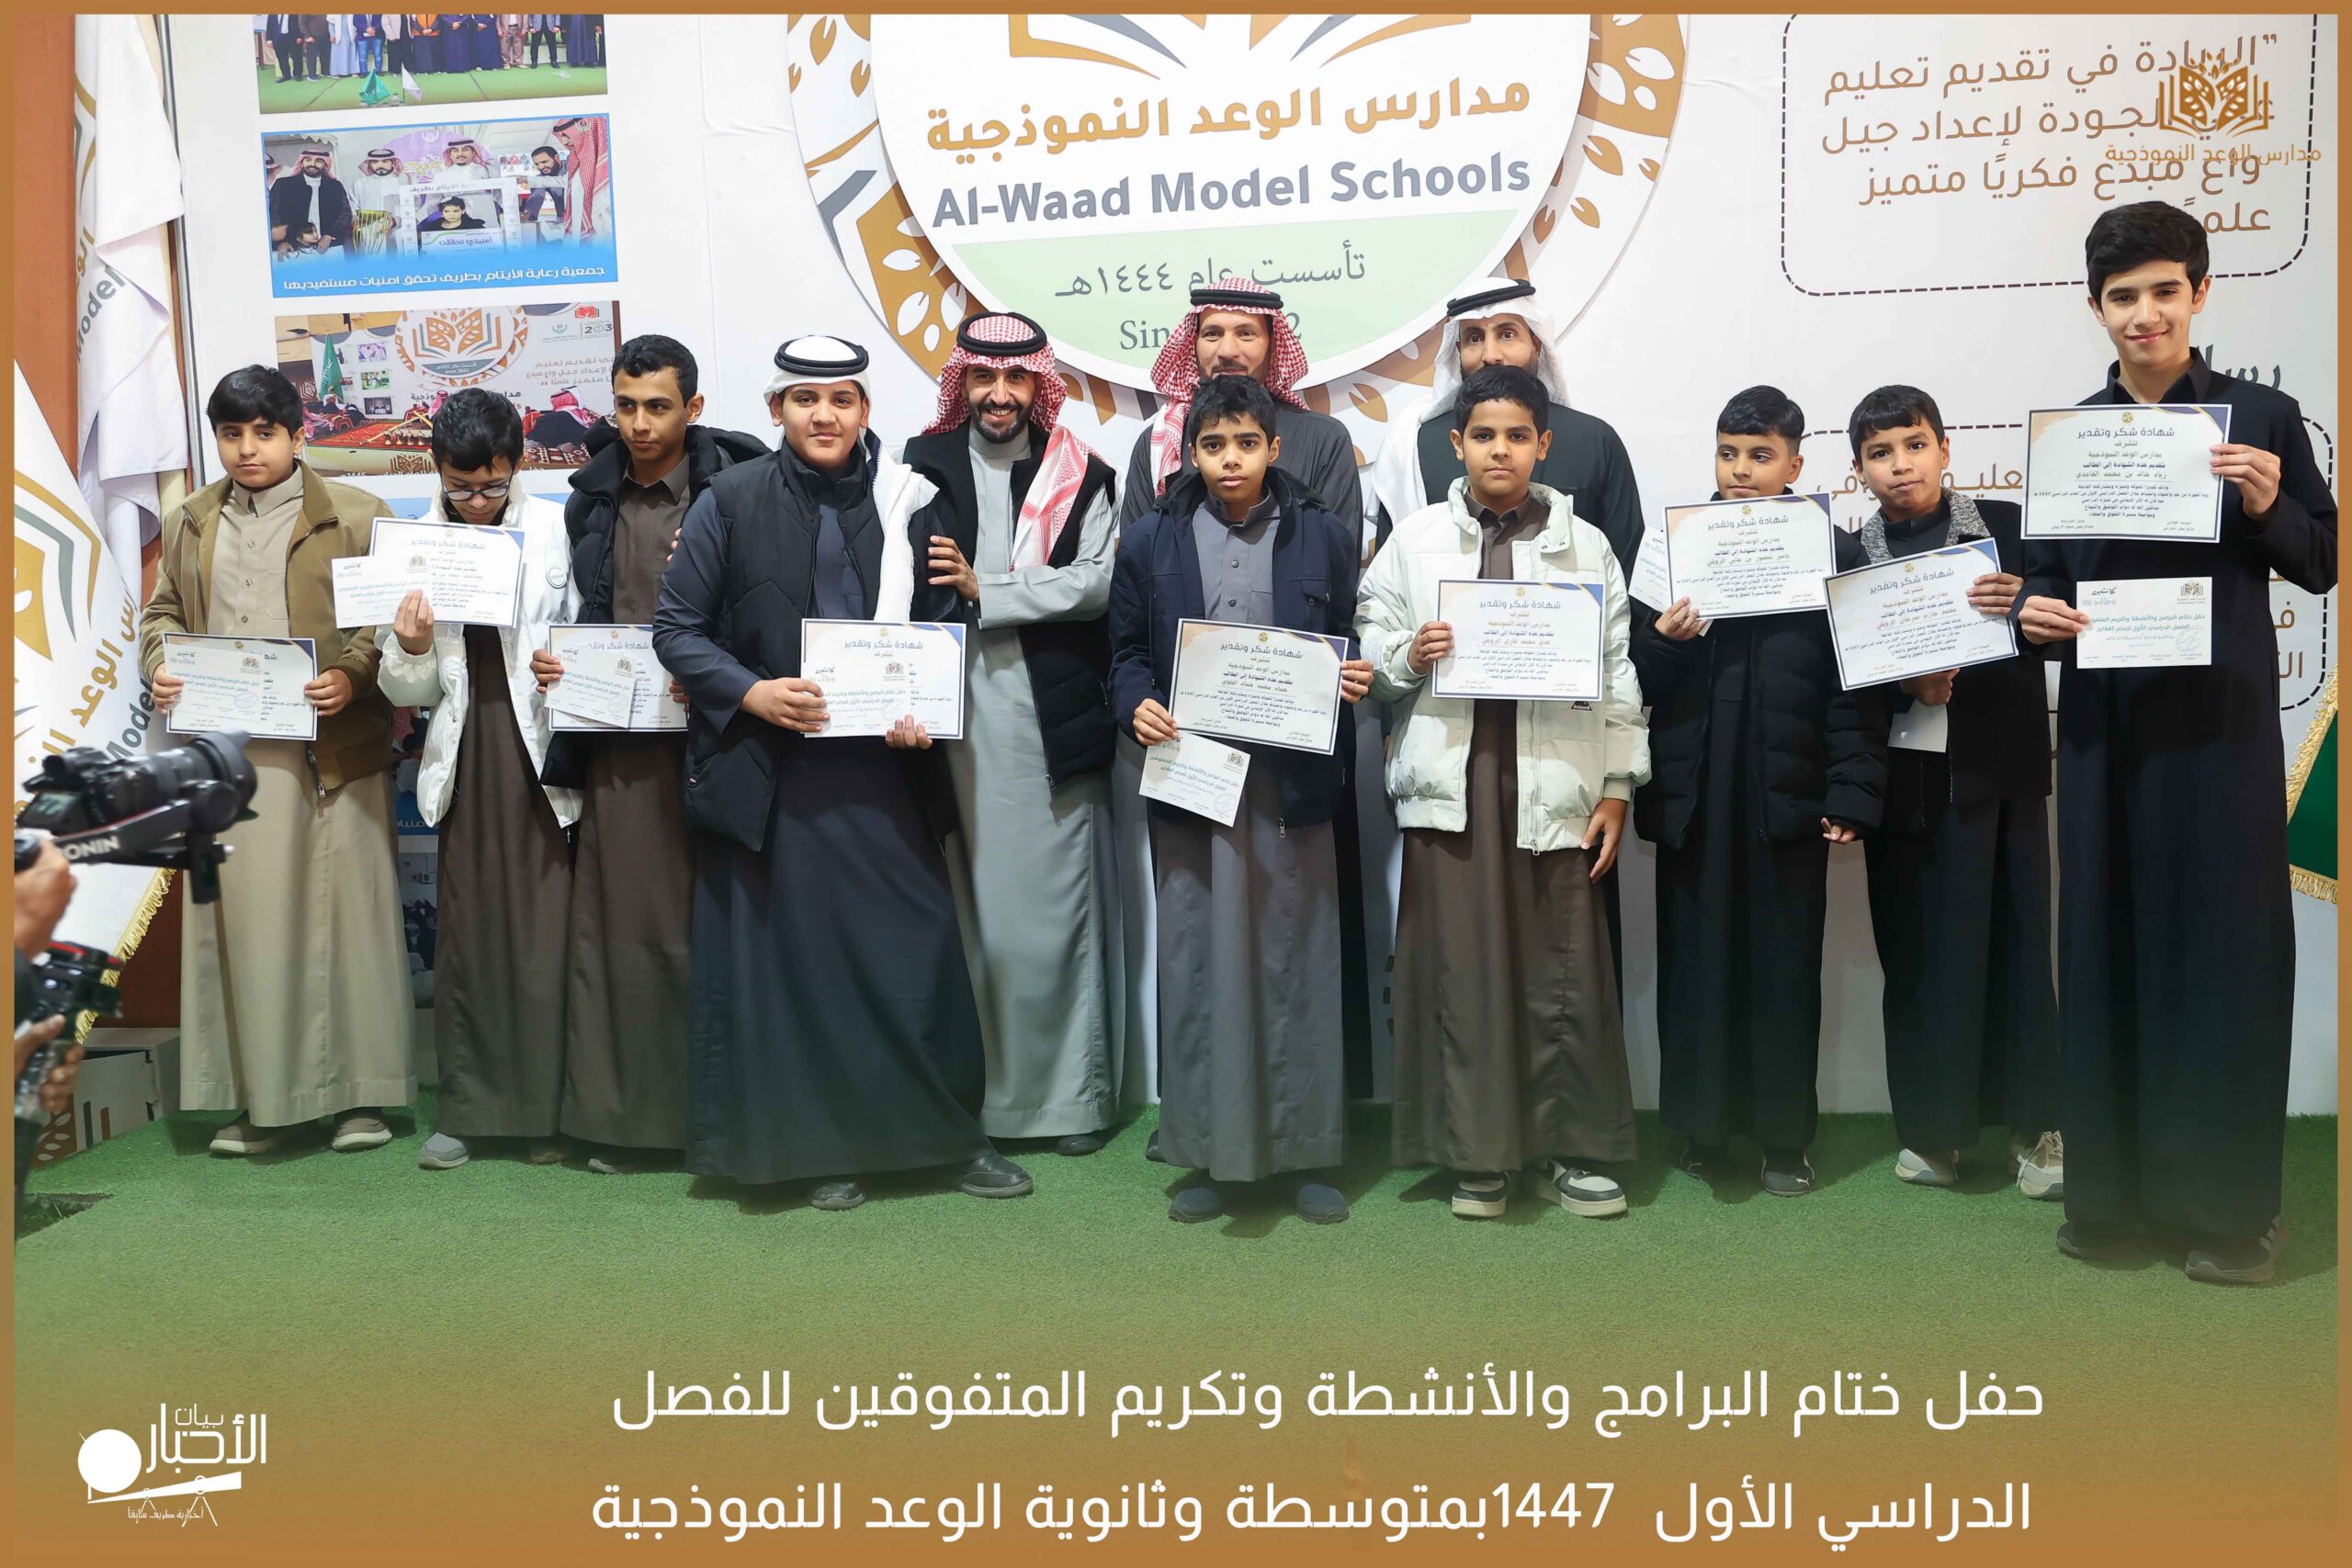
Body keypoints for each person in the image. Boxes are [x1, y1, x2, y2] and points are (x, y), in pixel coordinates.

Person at [2016, 201, 2337, 1283]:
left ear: (2198, 293)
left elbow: (2321, 561)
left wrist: (2268, 504)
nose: (2143, 314)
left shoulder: (2262, 417)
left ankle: (2232, 1215)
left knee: (2224, 955)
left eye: (2163, 290)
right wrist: (2033, 618)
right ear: (2095, 306)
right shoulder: (2069, 437)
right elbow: (2046, 582)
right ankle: (2111, 1203)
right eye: (2122, 296)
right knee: (2103, 946)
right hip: (2103, 736)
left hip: (2220, 734)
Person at [651, 335, 1027, 1209]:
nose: (824, 415)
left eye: (842, 399)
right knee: (807, 972)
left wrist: (923, 711)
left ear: (865, 410)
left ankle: (946, 1140)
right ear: (776, 409)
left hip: (886, 775)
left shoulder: (911, 500)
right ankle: (827, 1151)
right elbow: (676, 629)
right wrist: (753, 693)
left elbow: (940, 627)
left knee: (914, 953)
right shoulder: (729, 500)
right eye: (805, 399)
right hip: (774, 775)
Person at [1357, 366, 1648, 1220]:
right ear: (1457, 444)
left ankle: (1572, 1150)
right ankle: (1475, 1155)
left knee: (1562, 969)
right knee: (1463, 969)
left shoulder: (1586, 544)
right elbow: (1370, 655)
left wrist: (1618, 784)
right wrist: (1411, 653)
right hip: (1454, 780)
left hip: (1555, 779)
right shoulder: (1414, 540)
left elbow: (1617, 670)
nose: (1500, 450)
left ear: (1543, 445)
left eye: (1518, 435)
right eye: (1484, 434)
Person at [1109, 374, 1374, 1224]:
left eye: (1247, 444)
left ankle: (1305, 1152)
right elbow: (1124, 655)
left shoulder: (1324, 535)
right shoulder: (1150, 538)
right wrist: (1135, 704)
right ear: (1191, 451)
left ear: (1274, 448)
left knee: (1300, 955)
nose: (1231, 460)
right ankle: (1209, 1153)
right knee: (1198, 960)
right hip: (1194, 777)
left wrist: (1353, 672)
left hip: (1293, 781)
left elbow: (1350, 638)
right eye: (1214, 445)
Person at [137, 365, 413, 1157]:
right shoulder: (191, 520)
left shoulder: (356, 513)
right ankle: (262, 1102)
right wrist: (160, 663)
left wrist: (350, 675)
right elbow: (162, 613)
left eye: (264, 432)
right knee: (249, 930)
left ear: (299, 434)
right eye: (231, 434)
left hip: (333, 753)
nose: (248, 449)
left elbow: (381, 626)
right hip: (231, 756)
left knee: (350, 924)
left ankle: (361, 1099)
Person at [1634, 385, 1887, 1197]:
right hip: (1695, 797)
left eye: (1760, 456)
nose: (1741, 470)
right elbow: (1630, 678)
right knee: (1695, 968)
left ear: (1795, 465)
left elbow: (1855, 685)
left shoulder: (1832, 550)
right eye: (1728, 454)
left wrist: (1853, 787)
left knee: (1783, 972)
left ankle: (1784, 1140)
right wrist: (1665, 642)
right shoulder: (1670, 546)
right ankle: (1702, 1133)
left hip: (1790, 796)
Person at [533, 335, 768, 1171]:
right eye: (626, 406)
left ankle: (725, 1116)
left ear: (693, 408)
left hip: (721, 737)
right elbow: (581, 609)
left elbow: (766, 609)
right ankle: (626, 1124)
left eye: (658, 407)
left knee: (722, 926)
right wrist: (560, 663)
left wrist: (720, 668)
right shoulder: (590, 500)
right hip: (620, 746)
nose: (639, 424)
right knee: (623, 931)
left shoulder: (739, 488)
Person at [900, 311, 1126, 1157]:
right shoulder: (918, 467)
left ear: (1039, 385)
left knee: (1054, 912)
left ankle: (1069, 1100)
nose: (1000, 395)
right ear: (962, 382)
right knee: (973, 913)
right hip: (948, 715)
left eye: (1016, 378)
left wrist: (986, 588)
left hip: (1047, 718)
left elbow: (1099, 582)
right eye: (984, 378)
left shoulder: (1082, 471)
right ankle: (976, 1098)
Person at [1846, 384, 2062, 1199]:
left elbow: (2062, 624)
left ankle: (2037, 1129)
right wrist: (1906, 685)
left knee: (2018, 951)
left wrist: (2025, 605)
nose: (1900, 465)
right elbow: (1840, 674)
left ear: (1944, 448)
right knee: (1919, 959)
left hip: (2001, 774)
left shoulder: (2007, 529)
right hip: (1907, 785)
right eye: (1880, 453)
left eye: (1914, 445)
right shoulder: (1852, 557)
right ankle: (1933, 1134)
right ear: (1859, 469)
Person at [378, 389, 580, 1171]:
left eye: (493, 485)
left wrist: (569, 663)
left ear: (517, 463)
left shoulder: (558, 526)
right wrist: (410, 646)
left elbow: (594, 628)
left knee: (546, 940)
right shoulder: (412, 544)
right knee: (469, 939)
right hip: (467, 754)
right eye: (459, 486)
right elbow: (407, 688)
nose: (476, 501)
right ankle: (466, 1111)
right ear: (435, 468)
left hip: (543, 752)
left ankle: (547, 1114)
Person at [1365, 277, 1645, 572]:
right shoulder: (1415, 444)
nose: (1491, 355)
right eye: (1475, 338)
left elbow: (1626, 566)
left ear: (1536, 343)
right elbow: (1392, 574)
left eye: (1507, 334)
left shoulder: (1594, 441)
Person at [1119, 278, 1361, 528]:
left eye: (1246, 334)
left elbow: (1338, 546)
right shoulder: (1158, 444)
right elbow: (1137, 547)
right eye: (1212, 334)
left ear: (1273, 345)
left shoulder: (1324, 439)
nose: (1227, 351)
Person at [268, 144, 354, 253]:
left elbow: (345, 214)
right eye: (308, 160)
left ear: (325, 164)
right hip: (291, 247)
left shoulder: (335, 186)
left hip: (329, 246)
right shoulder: (283, 185)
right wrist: (282, 241)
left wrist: (329, 235)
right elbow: (273, 214)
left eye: (318, 161)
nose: (312, 164)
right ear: (302, 163)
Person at [552, 117, 611, 237]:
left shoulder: (606, 169)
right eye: (562, 136)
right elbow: (561, 181)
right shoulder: (580, 166)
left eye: (567, 135)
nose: (564, 141)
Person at [350, 145, 413, 255]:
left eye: (385, 161)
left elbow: (414, 206)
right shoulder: (360, 184)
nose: (380, 165)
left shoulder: (404, 181)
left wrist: (396, 221)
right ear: (369, 164)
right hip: (369, 235)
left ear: (393, 163)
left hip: (398, 232)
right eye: (375, 162)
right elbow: (353, 209)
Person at [417, 194, 486, 233]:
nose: (451, 215)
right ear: (442, 212)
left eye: (456, 211)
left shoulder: (475, 226)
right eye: (447, 211)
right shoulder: (431, 228)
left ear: (463, 211)